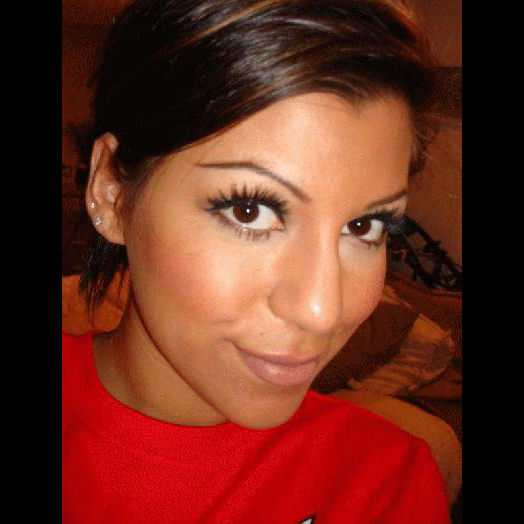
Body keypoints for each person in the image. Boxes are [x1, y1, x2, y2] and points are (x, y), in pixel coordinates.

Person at [62, 0, 451, 521]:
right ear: (111, 192)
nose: (321, 310)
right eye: (250, 211)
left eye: (365, 227)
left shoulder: (386, 484)